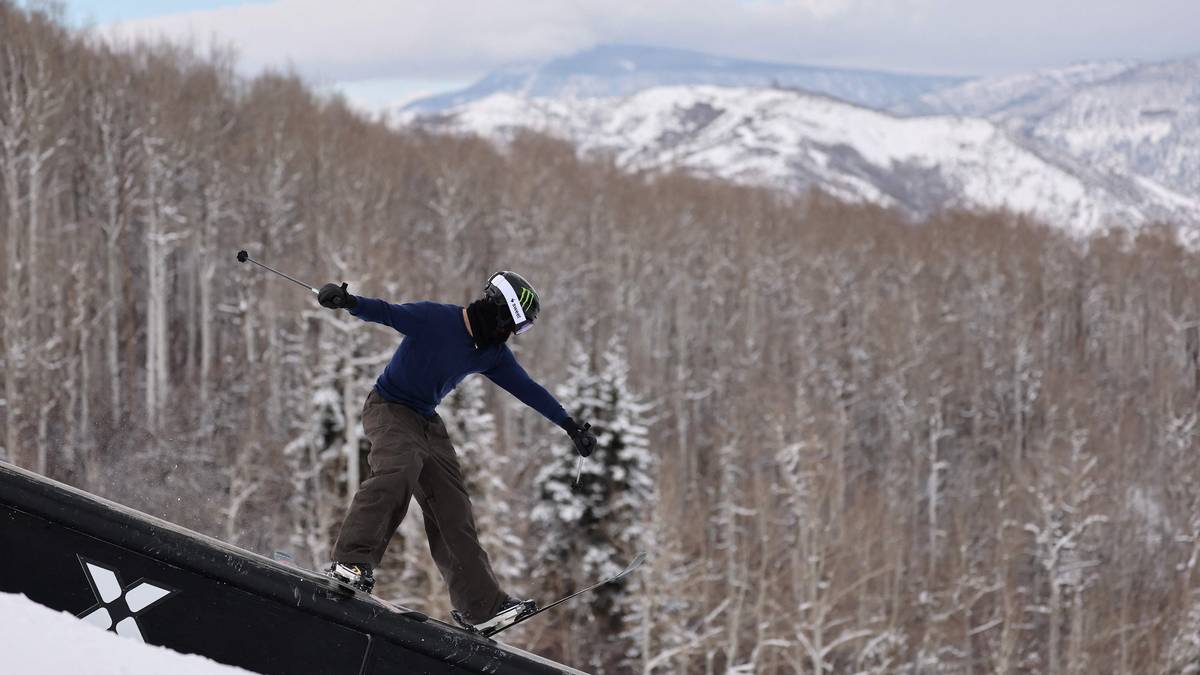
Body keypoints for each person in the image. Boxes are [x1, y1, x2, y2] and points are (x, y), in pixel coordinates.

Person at [315, 270, 597, 633]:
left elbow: (528, 389)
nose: (512, 335)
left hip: (428, 423)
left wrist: (570, 426)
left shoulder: (493, 354)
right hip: (389, 407)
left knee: (453, 508)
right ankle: (350, 562)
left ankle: (481, 607)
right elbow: (386, 312)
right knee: (398, 470)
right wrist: (348, 302)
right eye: (514, 326)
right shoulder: (437, 319)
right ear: (497, 311)